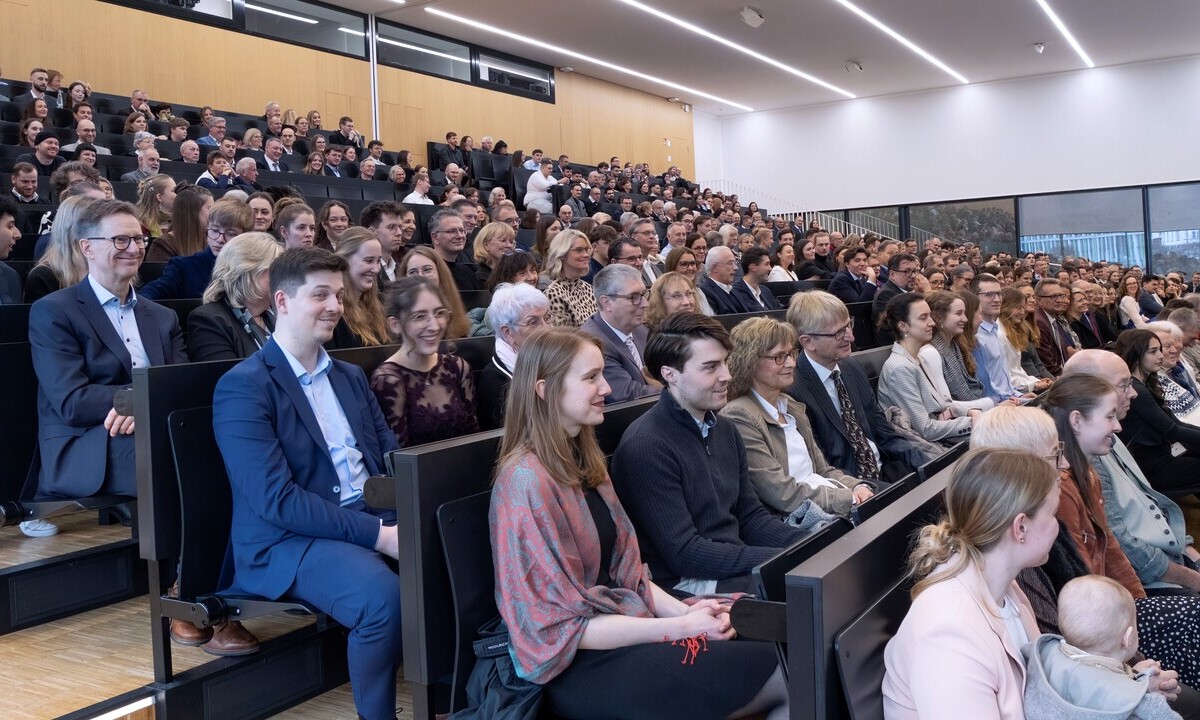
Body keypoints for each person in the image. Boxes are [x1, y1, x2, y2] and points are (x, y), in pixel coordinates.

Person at [490, 327, 787, 719]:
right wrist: (682, 628)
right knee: (785, 672)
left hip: (623, 624)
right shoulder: (524, 481)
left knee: (785, 641)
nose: (606, 388)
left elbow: (631, 578)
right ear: (545, 390)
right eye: (590, 377)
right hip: (577, 665)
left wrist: (688, 614)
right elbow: (554, 628)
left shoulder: (585, 461)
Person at [212, 247, 402, 720]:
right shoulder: (244, 385)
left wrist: (415, 510)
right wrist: (380, 535)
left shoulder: (350, 376)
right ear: (282, 301)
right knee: (382, 600)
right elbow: (276, 500)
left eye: (337, 294)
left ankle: (455, 701)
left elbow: (389, 459)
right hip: (288, 540)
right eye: (320, 295)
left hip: (367, 513)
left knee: (462, 551)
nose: (335, 306)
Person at [611, 313, 808, 594]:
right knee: (806, 591)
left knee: (824, 570)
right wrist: (783, 559)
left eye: (725, 362)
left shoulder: (725, 429)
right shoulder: (646, 446)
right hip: (682, 583)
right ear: (670, 374)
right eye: (711, 367)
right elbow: (684, 553)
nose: (726, 375)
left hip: (730, 562)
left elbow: (751, 517)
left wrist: (810, 544)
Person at [882, 448, 1059, 720]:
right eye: (1053, 513)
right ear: (1020, 527)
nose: (1057, 524)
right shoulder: (949, 632)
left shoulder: (1004, 588)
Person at [29, 200, 187, 503]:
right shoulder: (54, 312)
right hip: (88, 443)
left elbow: (180, 383)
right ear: (87, 247)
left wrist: (145, 409)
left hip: (155, 427)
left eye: (139, 238)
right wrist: (140, 401)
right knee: (178, 453)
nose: (134, 248)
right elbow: (72, 402)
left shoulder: (163, 317)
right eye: (120, 240)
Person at [1061, 349, 1200, 595]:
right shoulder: (1087, 458)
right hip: (1149, 580)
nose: (1133, 393)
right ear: (1090, 389)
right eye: (1124, 385)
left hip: (1166, 559)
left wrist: (1187, 550)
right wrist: (1191, 576)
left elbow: (1149, 505)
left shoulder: (1106, 437)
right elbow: (1124, 546)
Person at [721, 317, 873, 516]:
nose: (792, 363)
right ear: (750, 361)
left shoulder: (790, 406)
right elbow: (782, 494)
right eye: (779, 357)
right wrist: (849, 498)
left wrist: (857, 486)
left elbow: (822, 471)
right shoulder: (739, 415)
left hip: (829, 502)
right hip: (800, 517)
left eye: (791, 354)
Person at [1024, 575, 1182, 719]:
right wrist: (1140, 686)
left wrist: (1136, 677)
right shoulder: (1140, 702)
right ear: (1127, 638)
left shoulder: (1041, 653)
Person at [369, 277, 478, 448]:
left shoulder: (458, 367)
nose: (434, 326)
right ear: (395, 324)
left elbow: (474, 435)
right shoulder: (388, 380)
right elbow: (399, 454)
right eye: (420, 316)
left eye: (439, 313)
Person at [877, 293, 979, 445]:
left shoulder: (918, 359)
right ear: (903, 326)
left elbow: (942, 404)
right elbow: (925, 429)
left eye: (930, 316)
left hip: (940, 439)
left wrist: (970, 412)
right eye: (923, 318)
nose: (932, 322)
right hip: (928, 447)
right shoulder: (900, 368)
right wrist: (973, 422)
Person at [1114, 329, 1200, 498]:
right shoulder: (1136, 390)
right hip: (1152, 467)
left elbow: (1177, 424)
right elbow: (1173, 430)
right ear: (1136, 354)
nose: (1160, 356)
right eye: (1153, 351)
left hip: (1163, 455)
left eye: (1159, 350)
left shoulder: (1144, 384)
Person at [187, 232, 282, 361]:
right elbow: (225, 373)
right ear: (248, 273)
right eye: (276, 270)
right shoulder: (209, 320)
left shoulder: (281, 314)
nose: (284, 277)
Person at [141, 198, 252, 301]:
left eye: (231, 233)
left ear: (245, 237)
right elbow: (153, 291)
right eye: (214, 230)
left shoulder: (252, 270)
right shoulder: (183, 267)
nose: (220, 239)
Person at [582, 264, 662, 404]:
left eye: (643, 294)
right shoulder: (593, 344)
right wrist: (681, 393)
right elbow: (628, 395)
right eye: (634, 297)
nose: (645, 303)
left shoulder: (639, 329)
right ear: (606, 303)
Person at [477, 282, 548, 430]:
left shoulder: (548, 358)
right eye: (533, 322)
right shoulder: (494, 380)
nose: (546, 328)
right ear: (507, 332)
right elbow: (521, 433)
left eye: (546, 318)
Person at [328, 228, 388, 349]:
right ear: (344, 261)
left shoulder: (378, 307)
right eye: (369, 261)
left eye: (378, 261)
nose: (376, 269)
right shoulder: (332, 312)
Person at [400, 246, 470, 339]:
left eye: (427, 270)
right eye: (413, 272)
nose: (420, 276)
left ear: (440, 273)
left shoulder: (455, 311)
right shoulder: (399, 318)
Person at [999, 286, 1054, 393]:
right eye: (1018, 308)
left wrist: (1036, 382)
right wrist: (1034, 384)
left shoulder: (1018, 329)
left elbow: (1018, 370)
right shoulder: (1000, 334)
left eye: (1022, 308)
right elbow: (1006, 376)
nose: (1021, 312)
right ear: (1005, 307)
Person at [544, 229, 599, 328]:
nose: (586, 255)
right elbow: (562, 335)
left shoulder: (589, 289)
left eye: (587, 250)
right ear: (562, 254)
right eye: (579, 250)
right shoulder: (554, 293)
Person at [145, 184, 213, 262]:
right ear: (192, 212)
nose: (214, 213)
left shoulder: (210, 240)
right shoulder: (163, 246)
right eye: (210, 208)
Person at [873, 252, 924, 345]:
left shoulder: (905, 292)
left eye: (914, 271)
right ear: (892, 274)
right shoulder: (886, 295)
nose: (913, 276)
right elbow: (894, 331)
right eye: (906, 271)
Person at [470, 221, 515, 288]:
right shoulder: (479, 277)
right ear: (486, 245)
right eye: (503, 240)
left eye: (511, 242)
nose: (509, 245)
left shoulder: (516, 273)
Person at [133, 174, 175, 240]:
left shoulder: (180, 221)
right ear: (159, 197)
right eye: (174, 191)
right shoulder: (140, 227)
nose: (179, 194)